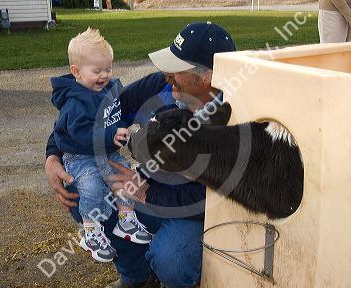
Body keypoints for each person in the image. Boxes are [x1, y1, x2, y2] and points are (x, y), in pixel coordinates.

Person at [45, 21, 236, 287]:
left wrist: (146, 193)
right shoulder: (163, 85)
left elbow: (213, 199)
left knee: (172, 261)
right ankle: (138, 277)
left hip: (199, 212)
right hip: (152, 187)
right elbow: (100, 114)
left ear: (206, 78)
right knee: (85, 193)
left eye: (176, 68)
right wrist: (53, 154)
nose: (165, 73)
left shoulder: (236, 116)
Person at [50, 27, 152, 263]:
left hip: (106, 152)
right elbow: (78, 133)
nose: (104, 75)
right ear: (76, 71)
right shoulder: (76, 102)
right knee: (92, 188)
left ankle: (126, 220)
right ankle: (91, 231)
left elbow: (120, 111)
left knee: (127, 178)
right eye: (97, 71)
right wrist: (110, 135)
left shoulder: (108, 89)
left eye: (108, 68)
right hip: (80, 156)